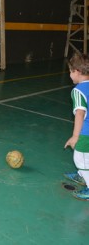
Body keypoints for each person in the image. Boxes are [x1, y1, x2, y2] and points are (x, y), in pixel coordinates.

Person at [64, 52, 89, 200]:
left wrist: (75, 136)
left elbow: (79, 114)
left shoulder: (78, 91)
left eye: (70, 72)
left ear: (77, 72)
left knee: (80, 158)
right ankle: (81, 175)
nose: (70, 75)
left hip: (86, 133)